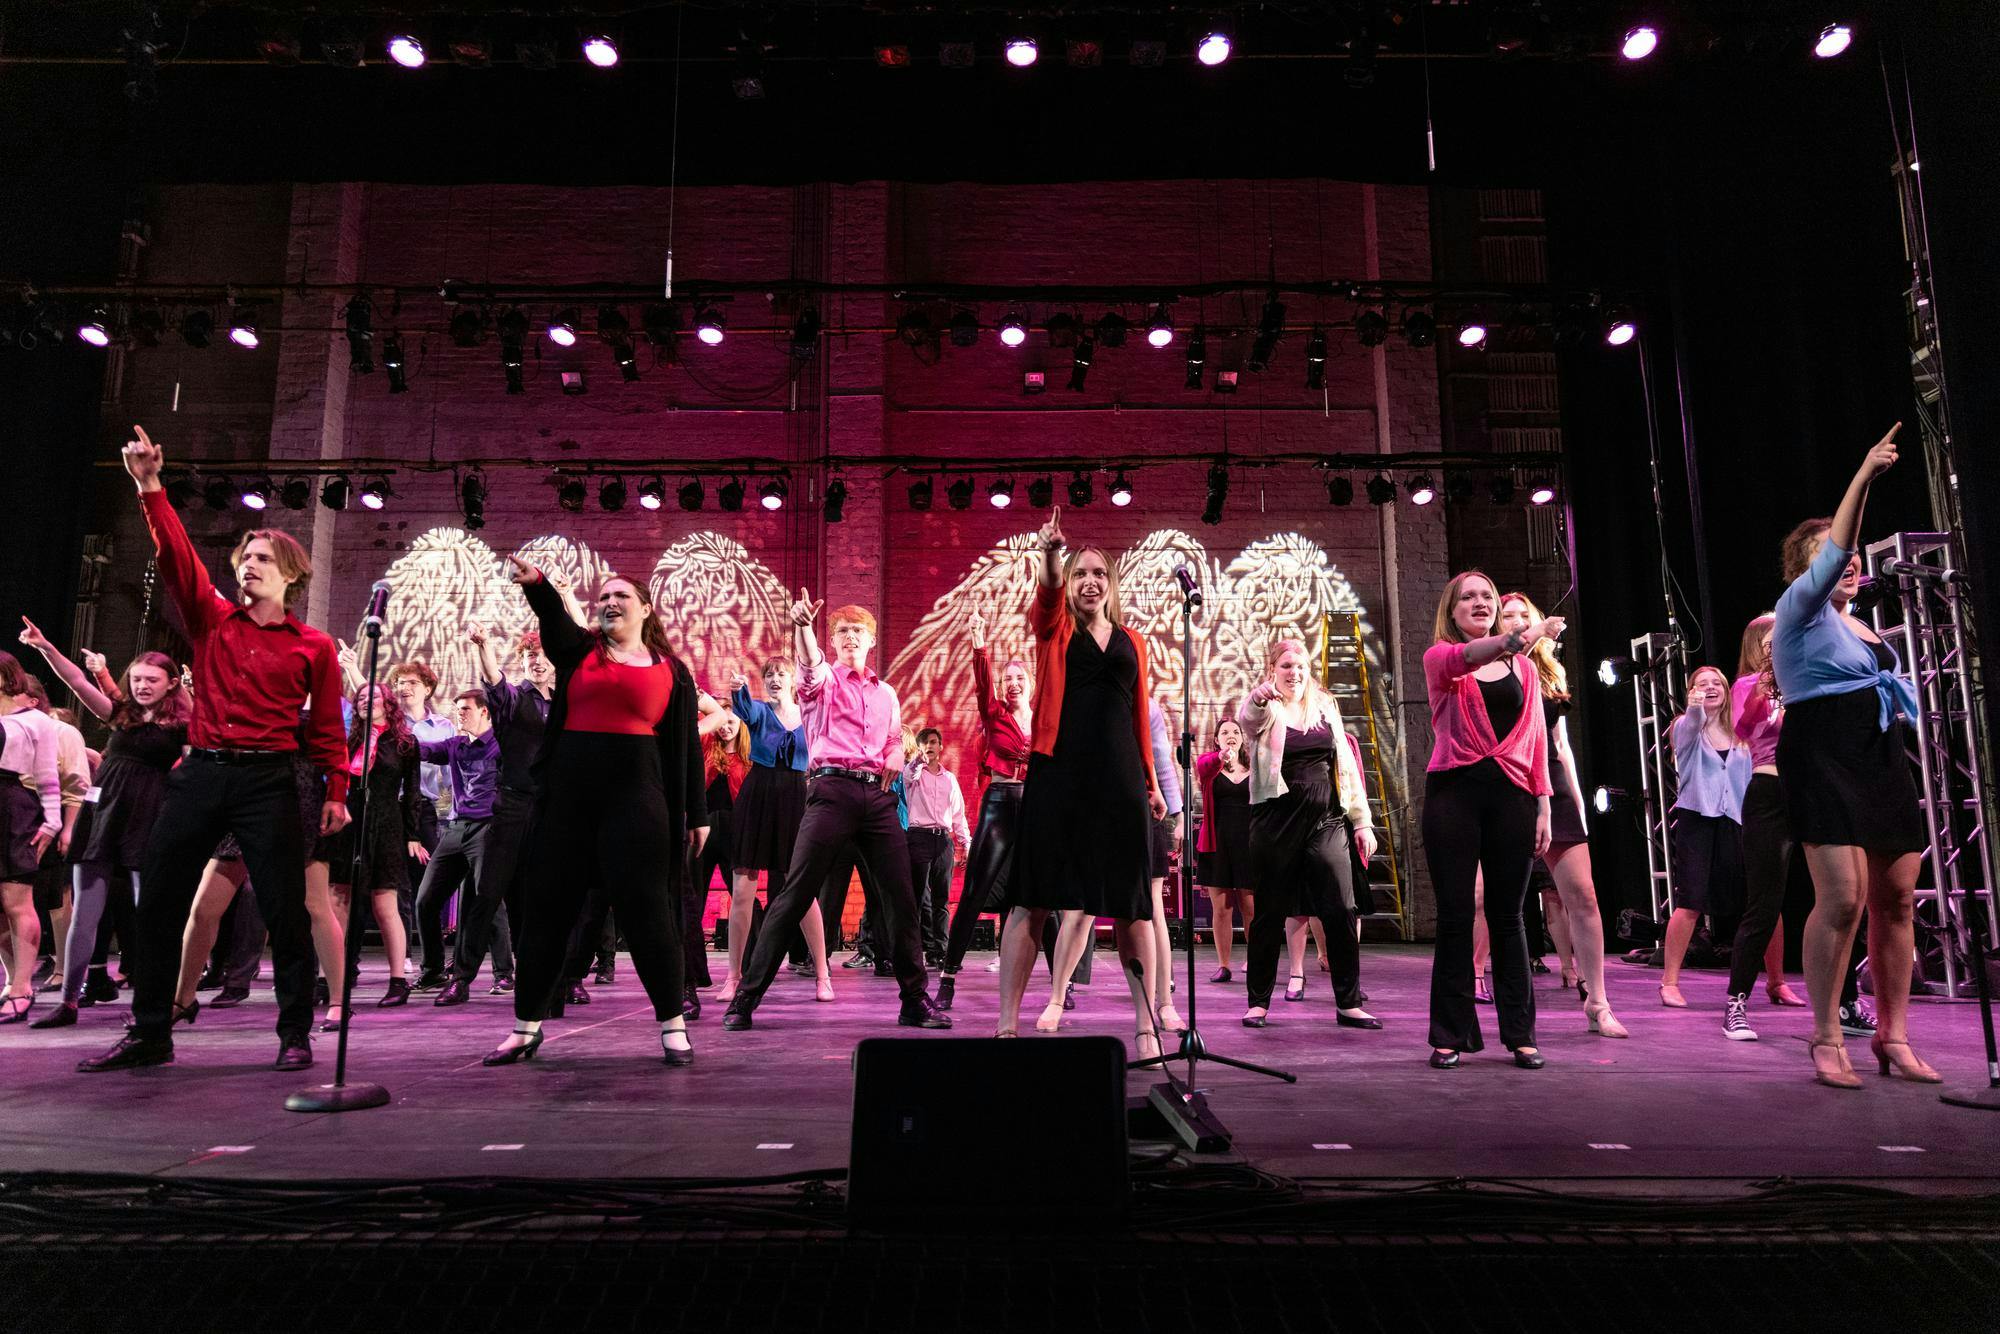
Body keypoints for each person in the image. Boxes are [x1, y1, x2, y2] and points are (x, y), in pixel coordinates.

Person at [81, 424, 349, 1074]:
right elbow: (175, 558)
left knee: (286, 910)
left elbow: (327, 732)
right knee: (163, 901)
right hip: (201, 775)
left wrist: (336, 792)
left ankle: (294, 1033)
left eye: (261, 559)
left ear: (290, 574)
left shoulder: (311, 646)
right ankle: (151, 1031)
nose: (248, 565)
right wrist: (149, 485)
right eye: (244, 558)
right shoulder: (211, 620)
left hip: (269, 782)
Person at [484, 559, 708, 1067]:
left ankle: (673, 1027)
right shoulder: (579, 651)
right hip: (568, 801)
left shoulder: (672, 671)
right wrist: (539, 586)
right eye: (603, 596)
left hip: (638, 802)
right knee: (547, 911)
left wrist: (697, 812)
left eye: (621, 596)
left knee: (650, 913)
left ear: (645, 609)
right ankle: (525, 1028)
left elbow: (686, 748)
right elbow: (553, 621)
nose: (609, 602)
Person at [1771, 425, 1936, 1088]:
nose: (1851, 563)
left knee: (1896, 898)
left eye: (1855, 559)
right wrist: (1864, 476)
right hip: (1823, 752)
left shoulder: (1863, 626)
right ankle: (1826, 1035)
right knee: (1842, 897)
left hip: (1878, 755)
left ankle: (1892, 1038)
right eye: (1836, 557)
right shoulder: (1798, 610)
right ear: (1807, 568)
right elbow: (1840, 540)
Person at [719, 591, 949, 1033]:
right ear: (834, 640)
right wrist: (804, 626)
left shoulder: (886, 693)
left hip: (877, 798)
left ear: (871, 642)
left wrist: (898, 755)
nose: (849, 638)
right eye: (841, 631)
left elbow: (894, 739)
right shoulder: (823, 682)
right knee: (794, 893)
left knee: (901, 900)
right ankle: (746, 1000)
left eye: (857, 632)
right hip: (831, 791)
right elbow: (809, 667)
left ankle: (915, 1000)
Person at [998, 506, 1165, 1053]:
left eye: (1099, 573)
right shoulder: (1055, 627)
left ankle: (1145, 1027)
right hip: (1058, 774)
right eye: (1081, 573)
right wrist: (1050, 554)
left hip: (1118, 780)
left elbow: (1139, 714)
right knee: (1034, 899)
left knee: (1132, 903)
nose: (1090, 581)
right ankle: (1008, 1024)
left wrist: (1153, 781)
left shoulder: (1132, 642)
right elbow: (1045, 595)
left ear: (1110, 584)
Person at [16, 622, 190, 1030]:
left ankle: (157, 1002)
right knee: (84, 916)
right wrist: (46, 648)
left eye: (152, 680)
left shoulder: (184, 725)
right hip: (104, 816)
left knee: (149, 916)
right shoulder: (122, 714)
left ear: (171, 684)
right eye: (138, 679)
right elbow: (76, 681)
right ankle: (69, 1001)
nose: (143, 685)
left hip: (148, 820)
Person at [1422, 570, 1560, 1070]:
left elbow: (1536, 739)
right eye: (1470, 598)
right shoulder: (1442, 657)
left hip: (1514, 797)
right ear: (1452, 610)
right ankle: (1450, 1034)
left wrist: (1543, 803)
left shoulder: (1523, 671)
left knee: (1510, 917)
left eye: (1488, 596)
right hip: (1454, 794)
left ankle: (1521, 1034)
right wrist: (1526, 635)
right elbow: (1470, 656)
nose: (1481, 603)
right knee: (1457, 916)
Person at [1498, 593, 1627, 1039]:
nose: (1516, 622)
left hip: (1551, 780)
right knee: (1494, 901)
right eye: (1507, 616)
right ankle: (1489, 990)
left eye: (1523, 616)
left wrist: (1576, 801)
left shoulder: (1550, 671)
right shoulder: (1493, 666)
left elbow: (1562, 744)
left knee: (1584, 897)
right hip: (1508, 779)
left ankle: (1598, 1001)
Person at [1236, 639, 1381, 1032]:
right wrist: (1257, 698)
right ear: (1273, 671)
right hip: (1275, 820)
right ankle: (1258, 1003)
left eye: (1299, 666)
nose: (1294, 673)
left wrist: (1362, 821)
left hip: (1327, 820)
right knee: (1268, 913)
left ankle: (1349, 1002)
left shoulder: (1325, 706)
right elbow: (1246, 721)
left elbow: (1347, 766)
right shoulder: (1268, 708)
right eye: (1285, 666)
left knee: (1341, 909)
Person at [1719, 614, 1818, 1041]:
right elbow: (1746, 727)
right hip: (1770, 793)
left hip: (1815, 794)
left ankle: (1848, 1002)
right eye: (1775, 639)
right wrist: (1772, 682)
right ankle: (1736, 1004)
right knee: (1763, 905)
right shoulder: (1746, 686)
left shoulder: (1808, 679)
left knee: (1838, 901)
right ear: (1759, 644)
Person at [716, 658, 834, 1004]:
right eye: (769, 675)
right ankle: (734, 976)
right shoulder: (757, 711)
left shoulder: (809, 714)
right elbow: (742, 708)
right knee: (742, 889)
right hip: (758, 797)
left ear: (794, 680)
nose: (774, 679)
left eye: (781, 674)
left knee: (802, 890)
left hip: (796, 799)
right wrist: (737, 689)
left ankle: (823, 974)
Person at [937, 608, 1031, 1008]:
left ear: (1030, 683)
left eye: (1019, 678)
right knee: (975, 893)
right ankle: (947, 977)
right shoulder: (994, 714)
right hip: (1000, 804)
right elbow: (982, 684)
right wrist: (978, 643)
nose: (1012, 684)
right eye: (1007, 679)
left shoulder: (1044, 719)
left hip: (1035, 808)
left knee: (1038, 896)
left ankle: (1063, 987)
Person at [319, 683, 423, 1007]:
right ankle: (329, 978)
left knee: (384, 904)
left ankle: (398, 981)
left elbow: (413, 792)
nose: (366, 701)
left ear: (388, 703)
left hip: (386, 823)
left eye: (374, 696)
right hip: (349, 821)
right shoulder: (348, 739)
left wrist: (412, 834)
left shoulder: (405, 743)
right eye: (361, 698)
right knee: (338, 901)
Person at [1659, 666, 1752, 1008]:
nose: (1711, 688)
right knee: (1690, 903)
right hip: (1698, 819)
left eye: (1717, 683)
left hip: (1736, 821)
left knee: (1756, 905)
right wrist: (1695, 705)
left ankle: (1776, 981)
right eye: (1702, 684)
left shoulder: (1741, 733)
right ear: (1691, 691)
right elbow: (1691, 723)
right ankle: (1669, 982)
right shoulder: (1685, 727)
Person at [414, 690, 509, 1007]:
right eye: (457, 710)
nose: (460, 714)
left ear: (485, 712)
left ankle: (503, 972)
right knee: (426, 901)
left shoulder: (501, 744)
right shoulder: (455, 745)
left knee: (487, 900)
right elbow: (424, 751)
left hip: (487, 829)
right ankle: (433, 970)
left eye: (466, 709)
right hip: (455, 829)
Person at [0, 652, 62, 1023]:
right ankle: (12, 982)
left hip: (10, 806)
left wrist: (52, 823)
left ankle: (23, 987)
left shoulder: (36, 720)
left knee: (15, 900)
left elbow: (47, 776)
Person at [390, 661, 456, 989]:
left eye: (412, 682)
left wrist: (455, 813)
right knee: (394, 885)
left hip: (425, 811)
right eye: (400, 682)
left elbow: (451, 778)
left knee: (427, 889)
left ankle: (434, 963)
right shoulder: (390, 723)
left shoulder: (442, 726)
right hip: (390, 808)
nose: (405, 688)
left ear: (427, 688)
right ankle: (400, 958)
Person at [685, 707, 751, 1015]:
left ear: (741, 726)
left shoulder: (748, 759)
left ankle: (752, 963)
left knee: (743, 898)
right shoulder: (707, 751)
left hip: (735, 830)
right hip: (704, 828)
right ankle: (696, 973)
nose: (726, 727)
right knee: (691, 899)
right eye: (722, 722)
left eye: (732, 722)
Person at [902, 726, 970, 969]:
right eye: (925, 743)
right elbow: (909, 775)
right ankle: (915, 951)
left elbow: (958, 815)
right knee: (918, 899)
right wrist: (918, 761)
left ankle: (939, 952)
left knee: (942, 900)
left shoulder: (949, 779)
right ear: (919, 747)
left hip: (943, 840)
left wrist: (965, 843)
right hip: (918, 837)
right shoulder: (913, 774)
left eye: (933, 742)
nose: (930, 746)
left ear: (941, 747)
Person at [1194, 715, 1254, 983]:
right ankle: (1224, 964)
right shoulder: (1211, 768)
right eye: (1225, 732)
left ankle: (1255, 960)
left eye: (1236, 731)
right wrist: (1222, 757)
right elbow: (1202, 765)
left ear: (1243, 738)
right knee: (1222, 909)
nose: (1231, 735)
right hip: (1217, 845)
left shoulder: (1255, 769)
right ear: (1217, 739)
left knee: (1250, 907)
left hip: (1249, 845)